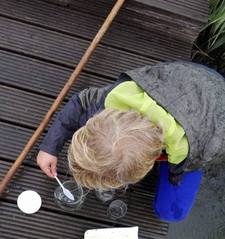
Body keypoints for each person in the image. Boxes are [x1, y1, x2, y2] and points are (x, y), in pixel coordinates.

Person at [37, 61, 225, 222]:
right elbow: (80, 102)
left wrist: (176, 173)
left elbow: (203, 158)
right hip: (178, 79)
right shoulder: (114, 98)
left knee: (171, 213)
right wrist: (49, 147)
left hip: (213, 102)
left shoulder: (206, 145)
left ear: (146, 166)